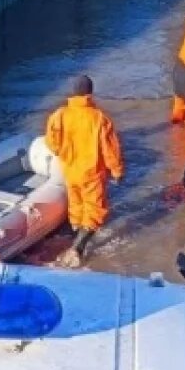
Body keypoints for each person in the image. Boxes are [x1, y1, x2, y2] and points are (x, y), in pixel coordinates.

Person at [45, 75, 125, 266]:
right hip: (92, 172)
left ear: (72, 93)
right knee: (95, 210)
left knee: (77, 206)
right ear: (90, 93)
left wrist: (65, 153)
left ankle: (75, 233)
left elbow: (52, 142)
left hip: (70, 170)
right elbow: (110, 149)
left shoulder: (59, 115)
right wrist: (117, 171)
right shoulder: (99, 119)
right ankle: (78, 248)